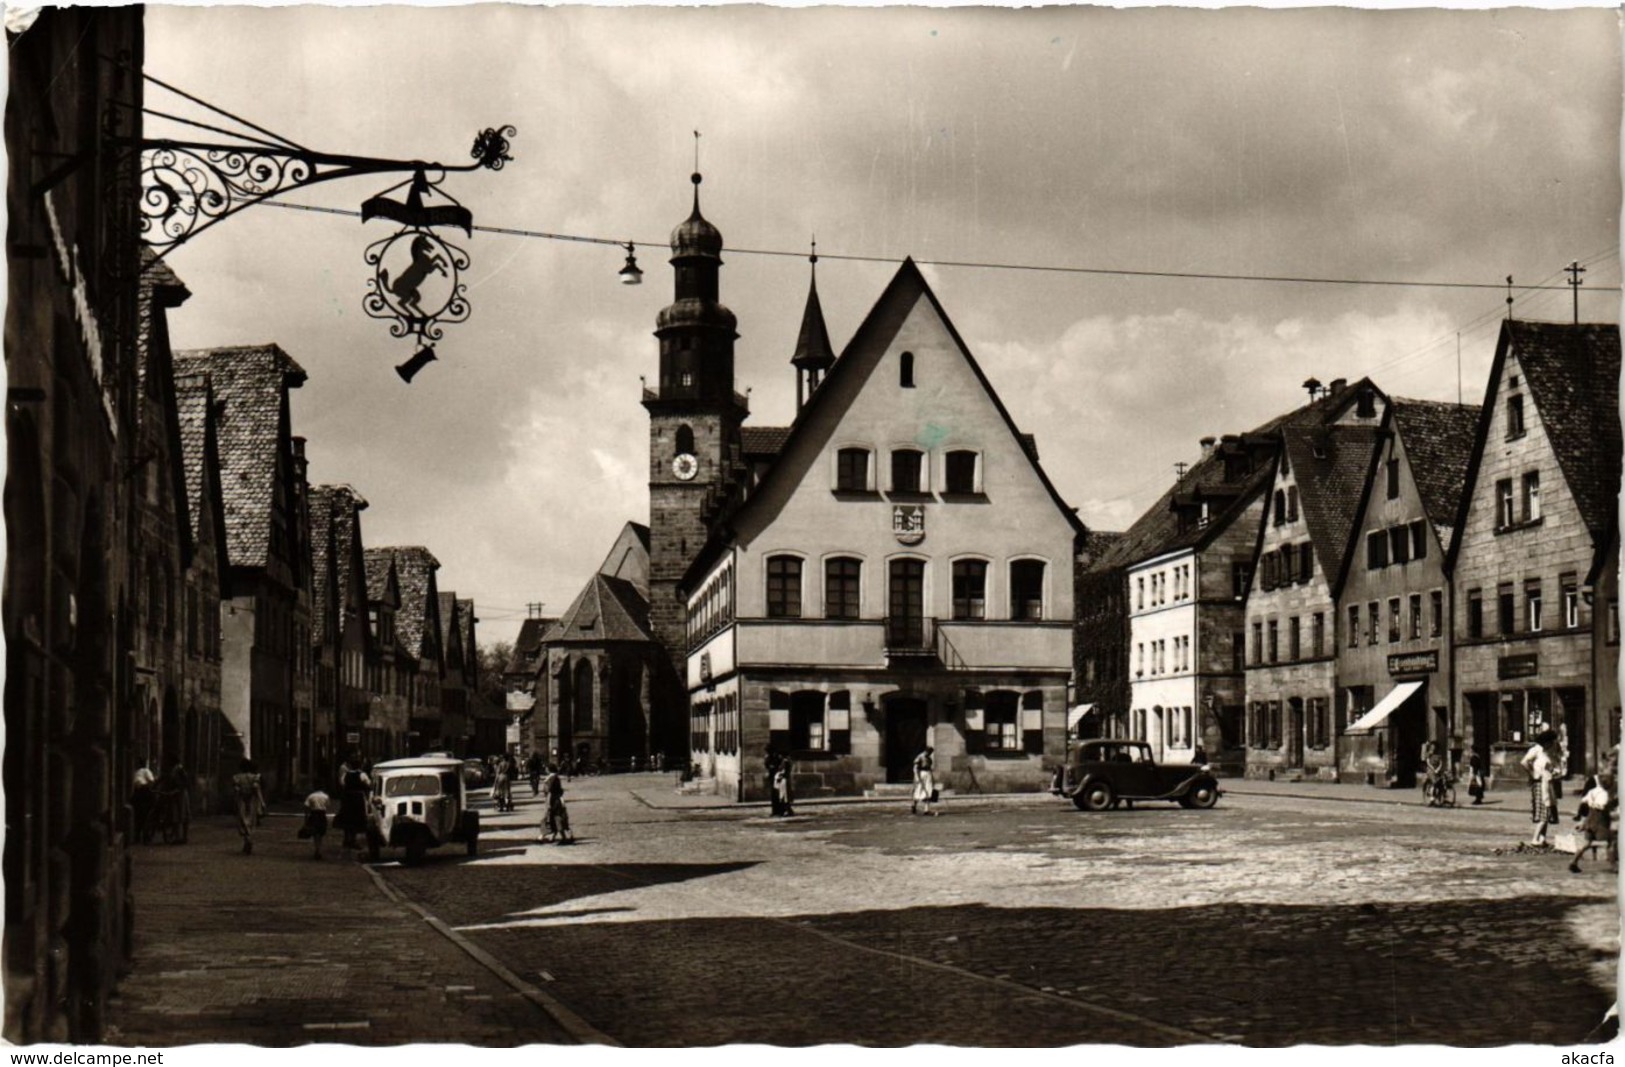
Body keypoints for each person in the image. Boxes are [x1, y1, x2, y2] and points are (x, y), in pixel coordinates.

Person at [1520, 729, 1562, 846]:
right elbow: (1524, 762)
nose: (1553, 744)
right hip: (1540, 784)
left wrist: (1555, 772)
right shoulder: (1537, 750)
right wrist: (1532, 773)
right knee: (1543, 812)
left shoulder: (1550, 752)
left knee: (1548, 812)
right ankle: (1535, 838)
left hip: (1548, 783)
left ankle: (1542, 839)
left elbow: (1553, 767)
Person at [1569, 774, 1610, 874]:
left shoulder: (1592, 791)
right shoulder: (1605, 793)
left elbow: (1583, 801)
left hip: (1589, 818)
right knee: (1613, 839)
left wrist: (1580, 815)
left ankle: (1574, 861)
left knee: (1587, 843)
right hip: (1600, 820)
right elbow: (1602, 806)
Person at [335, 752, 372, 851]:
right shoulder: (362, 774)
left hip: (347, 797)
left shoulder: (346, 775)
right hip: (358, 798)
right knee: (356, 818)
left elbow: (342, 784)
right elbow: (368, 784)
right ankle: (353, 840)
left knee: (347, 818)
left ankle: (347, 839)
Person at [230, 759, 265, 855]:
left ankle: (247, 839)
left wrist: (234, 801)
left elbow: (236, 790)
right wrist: (262, 802)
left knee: (242, 820)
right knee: (251, 820)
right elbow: (256, 789)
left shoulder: (237, 777)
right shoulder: (255, 777)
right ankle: (248, 838)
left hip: (241, 800)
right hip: (252, 800)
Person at [537, 765, 573, 844]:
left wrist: (548, 802)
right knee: (555, 818)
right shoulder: (555, 778)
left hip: (552, 800)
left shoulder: (551, 779)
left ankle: (543, 836)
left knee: (550, 818)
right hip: (556, 799)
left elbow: (549, 791)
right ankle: (558, 836)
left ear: (549, 769)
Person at [131, 760, 157, 844]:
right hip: (144, 793)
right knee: (146, 816)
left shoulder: (135, 772)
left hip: (137, 794)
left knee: (139, 816)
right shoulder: (146, 770)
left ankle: (137, 836)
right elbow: (151, 781)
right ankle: (145, 837)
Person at [303, 787, 331, 860]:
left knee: (315, 833)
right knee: (320, 832)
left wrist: (306, 819)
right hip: (322, 814)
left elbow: (306, 807)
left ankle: (317, 849)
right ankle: (318, 849)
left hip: (314, 814)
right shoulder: (325, 796)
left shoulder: (311, 796)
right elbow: (327, 805)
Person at [912, 746, 938, 816]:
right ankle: (914, 805)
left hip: (928, 774)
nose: (929, 754)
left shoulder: (929, 758)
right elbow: (915, 768)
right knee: (919, 790)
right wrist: (917, 777)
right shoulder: (920, 757)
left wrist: (932, 777)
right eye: (929, 752)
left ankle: (926, 809)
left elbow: (929, 768)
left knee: (929, 790)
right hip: (921, 774)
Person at [764, 748, 783, 816]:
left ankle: (780, 810)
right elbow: (766, 764)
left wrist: (775, 768)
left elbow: (781, 766)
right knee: (774, 796)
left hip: (778, 777)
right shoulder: (768, 757)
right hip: (772, 777)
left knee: (779, 795)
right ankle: (775, 811)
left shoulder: (777, 757)